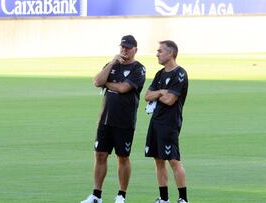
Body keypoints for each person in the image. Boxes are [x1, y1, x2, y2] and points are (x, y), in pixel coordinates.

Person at [80, 35, 146, 203]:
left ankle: (121, 195)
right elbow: (97, 81)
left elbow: (124, 88)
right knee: (100, 155)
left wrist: (107, 84)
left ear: (135, 50)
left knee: (122, 157)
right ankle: (96, 195)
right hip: (105, 119)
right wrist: (111, 63)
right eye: (122, 47)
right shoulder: (111, 65)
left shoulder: (138, 69)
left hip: (124, 120)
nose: (124, 50)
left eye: (128, 48)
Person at [144, 40, 189, 203]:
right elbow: (147, 96)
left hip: (169, 123)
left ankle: (183, 199)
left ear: (170, 53)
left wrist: (159, 93)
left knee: (173, 160)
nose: (157, 53)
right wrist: (161, 91)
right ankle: (164, 199)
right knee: (158, 160)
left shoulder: (180, 73)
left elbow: (170, 100)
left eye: (160, 51)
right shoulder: (160, 74)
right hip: (155, 122)